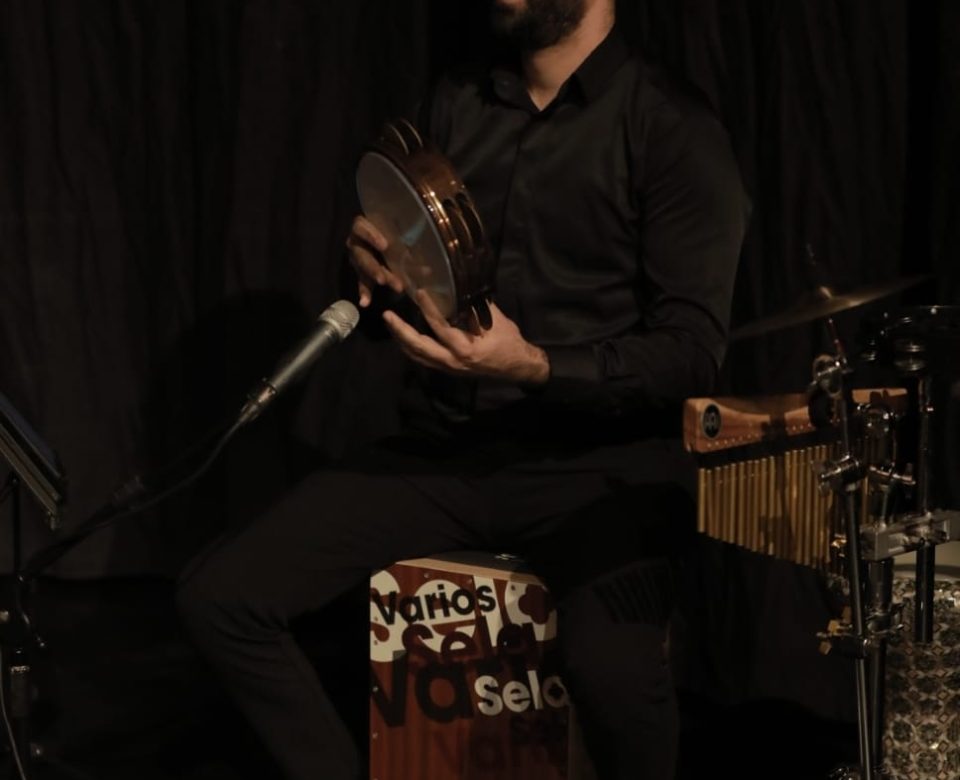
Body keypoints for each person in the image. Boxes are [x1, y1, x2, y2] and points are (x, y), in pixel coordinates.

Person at [176, 0, 748, 777]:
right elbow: (406, 288)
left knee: (611, 670)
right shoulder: (456, 102)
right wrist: (373, 269)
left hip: (605, 468)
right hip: (453, 450)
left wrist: (535, 366)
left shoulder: (673, 125)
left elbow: (690, 357)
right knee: (220, 597)